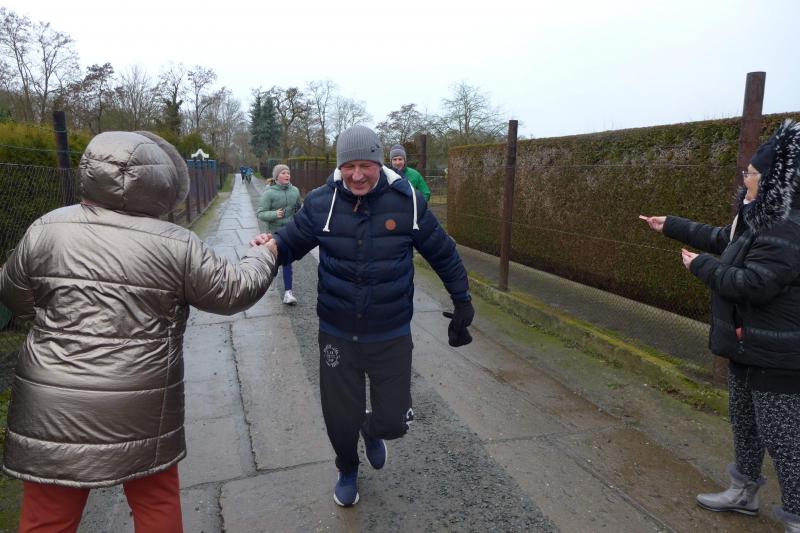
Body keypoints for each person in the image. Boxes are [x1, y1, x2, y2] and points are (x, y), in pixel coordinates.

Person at [0, 131, 278, 533]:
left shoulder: (46, 228)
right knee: (154, 500)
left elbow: (15, 295)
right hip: (142, 402)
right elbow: (233, 290)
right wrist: (262, 254)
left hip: (52, 402)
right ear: (159, 180)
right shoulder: (176, 244)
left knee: (48, 512)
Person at [272, 125, 474, 507]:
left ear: (380, 164)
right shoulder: (321, 203)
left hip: (390, 333)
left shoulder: (407, 201)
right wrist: (266, 250)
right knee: (339, 417)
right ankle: (347, 468)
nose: (357, 175)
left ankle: (372, 427)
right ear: (340, 167)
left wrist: (462, 300)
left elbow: (443, 252)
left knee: (394, 421)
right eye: (349, 166)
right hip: (337, 332)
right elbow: (289, 243)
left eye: (365, 165)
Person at [640, 119, 800, 532]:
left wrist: (702, 267)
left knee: (784, 440)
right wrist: (671, 225)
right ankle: (743, 493)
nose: (745, 178)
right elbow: (726, 241)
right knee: (745, 423)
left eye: (752, 172)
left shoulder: (786, 225)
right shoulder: (762, 218)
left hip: (779, 354)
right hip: (749, 346)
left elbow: (756, 284)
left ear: (771, 180)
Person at [257, 164, 302, 304]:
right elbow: (260, 213)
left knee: (288, 261)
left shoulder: (295, 191)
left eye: (288, 172)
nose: (287, 175)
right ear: (276, 176)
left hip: (289, 232)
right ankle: (272, 276)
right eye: (283, 173)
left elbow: (298, 208)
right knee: (275, 261)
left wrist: (298, 211)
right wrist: (274, 214)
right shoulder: (269, 193)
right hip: (274, 233)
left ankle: (288, 293)